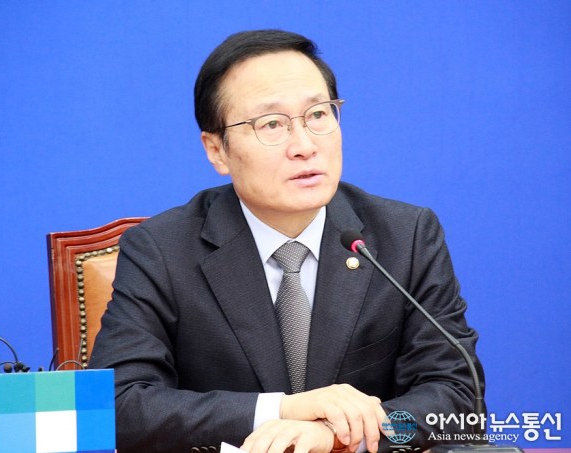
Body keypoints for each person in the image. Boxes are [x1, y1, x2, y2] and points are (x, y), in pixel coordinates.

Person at [89, 29, 484, 453]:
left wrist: (336, 437)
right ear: (217, 150)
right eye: (272, 124)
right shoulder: (161, 250)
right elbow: (116, 406)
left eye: (318, 114)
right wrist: (281, 411)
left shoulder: (405, 236)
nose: (305, 145)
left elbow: (457, 401)